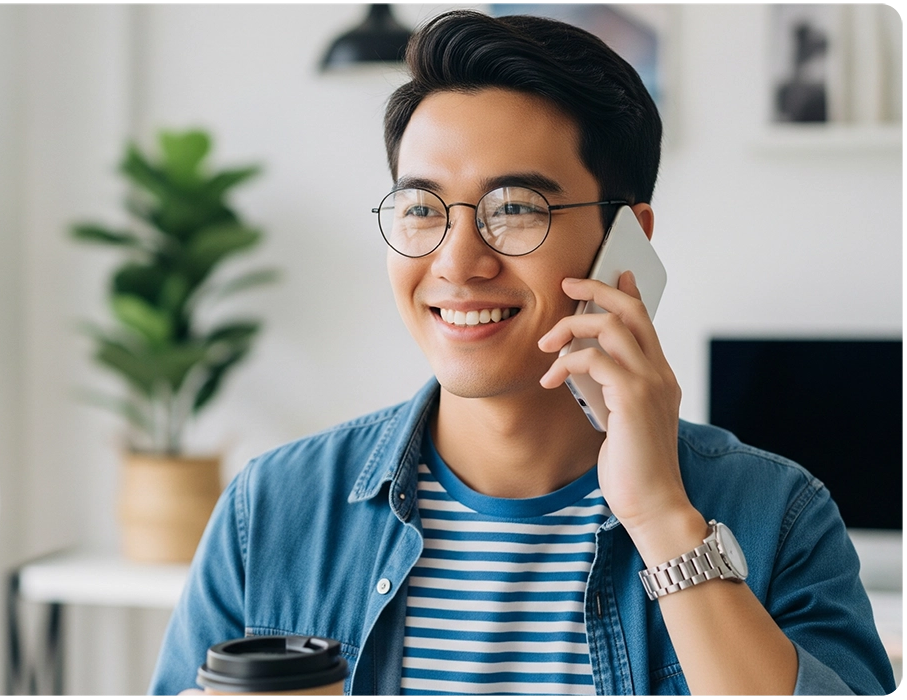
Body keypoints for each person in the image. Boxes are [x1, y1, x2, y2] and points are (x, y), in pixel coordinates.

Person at [148, 10, 895, 696]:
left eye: (515, 210)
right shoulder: (274, 511)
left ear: (627, 239)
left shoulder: (779, 517)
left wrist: (662, 515)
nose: (457, 260)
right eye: (421, 210)